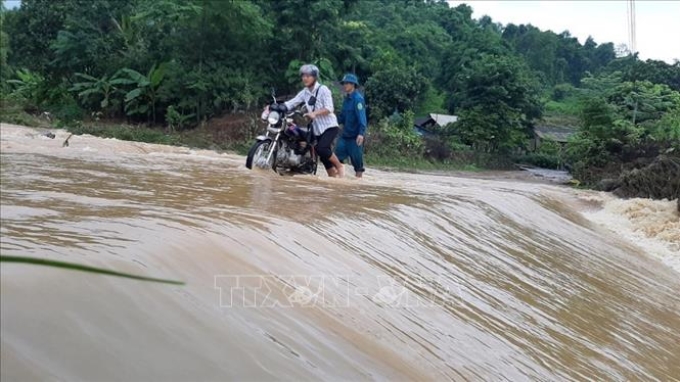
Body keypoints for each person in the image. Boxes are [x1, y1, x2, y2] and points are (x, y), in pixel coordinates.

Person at [277, 64, 344, 177]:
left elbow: (329, 108)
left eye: (308, 76)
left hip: (329, 126)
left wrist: (314, 113)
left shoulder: (323, 90)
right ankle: (333, 178)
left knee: (321, 149)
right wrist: (275, 107)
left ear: (315, 77)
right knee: (322, 155)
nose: (305, 78)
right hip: (317, 129)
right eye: (303, 76)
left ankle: (340, 166)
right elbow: (292, 103)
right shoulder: (305, 92)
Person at [335, 73, 367, 178]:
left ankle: (357, 185)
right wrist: (332, 122)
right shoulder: (346, 99)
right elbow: (342, 117)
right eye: (344, 83)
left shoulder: (358, 99)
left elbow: (362, 118)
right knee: (336, 159)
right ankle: (341, 181)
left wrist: (361, 134)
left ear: (353, 85)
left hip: (355, 138)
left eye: (347, 83)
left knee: (358, 166)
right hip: (345, 136)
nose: (345, 85)